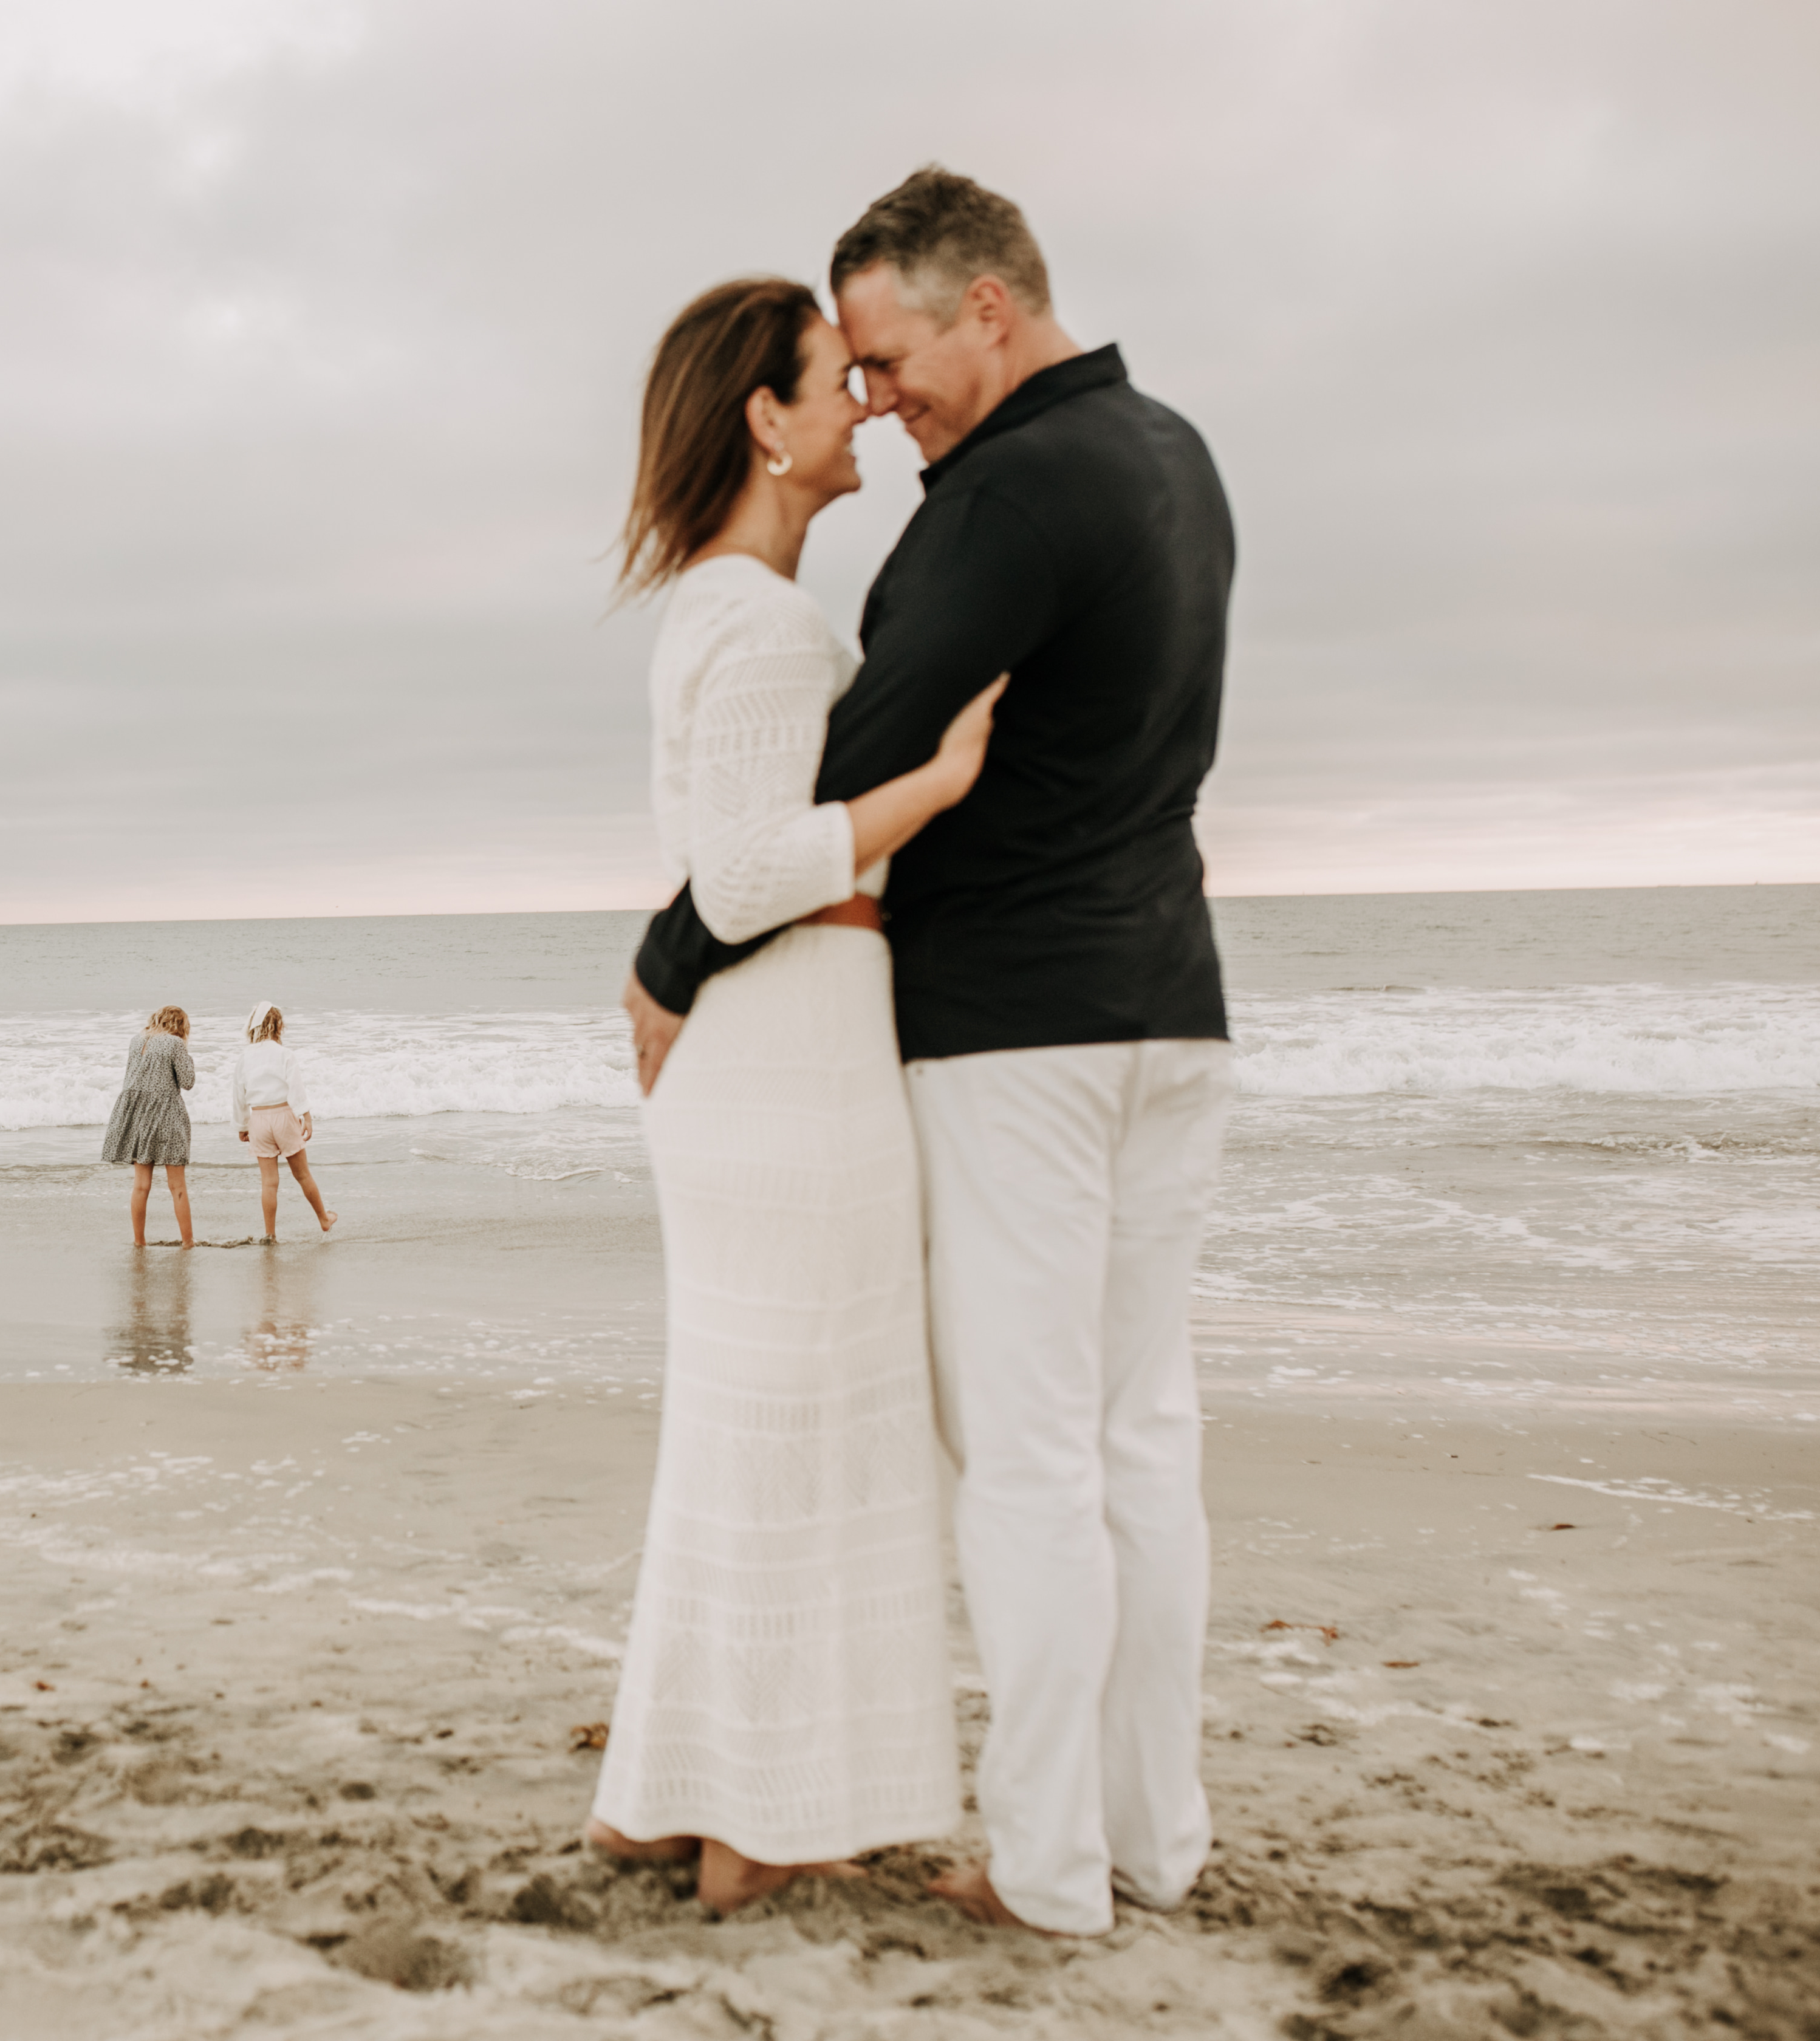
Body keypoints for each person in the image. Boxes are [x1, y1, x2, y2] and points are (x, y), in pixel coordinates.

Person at [624, 168, 1240, 1939]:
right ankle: (1153, 1838)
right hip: (1173, 1010)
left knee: (1038, 1456)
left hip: (1016, 1037)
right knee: (1144, 1438)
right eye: (854, 374)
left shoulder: (1002, 500)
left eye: (887, 354)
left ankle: (1053, 1871)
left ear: (989, 305)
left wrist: (669, 958)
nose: (881, 398)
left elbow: (844, 769)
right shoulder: (1181, 459)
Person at [584, 273, 1004, 1914]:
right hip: (789, 1063)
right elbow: (752, 869)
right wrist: (941, 783)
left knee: (753, 1434)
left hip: (761, 1069)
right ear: (766, 418)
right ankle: (754, 1826)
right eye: (839, 376)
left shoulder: (719, 606)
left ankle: (670, 1793)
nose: (868, 401)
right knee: (805, 1435)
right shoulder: (757, 620)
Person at [231, 1003, 335, 1242]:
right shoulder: (284, 1054)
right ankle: (324, 1219)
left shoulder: (245, 1057)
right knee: (303, 1175)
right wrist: (306, 1115)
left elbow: (238, 1094)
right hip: (283, 1115)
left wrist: (242, 1125)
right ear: (278, 1026)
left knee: (269, 1183)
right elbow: (296, 1088)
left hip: (258, 1119)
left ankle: (270, 1233)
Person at [101, 1005, 196, 1248]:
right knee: (177, 1185)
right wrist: (187, 1053)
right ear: (180, 1026)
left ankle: (139, 1241)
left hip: (136, 1115)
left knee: (141, 1184)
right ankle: (187, 1242)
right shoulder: (175, 1044)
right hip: (167, 1115)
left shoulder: (136, 1040)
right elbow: (188, 1082)